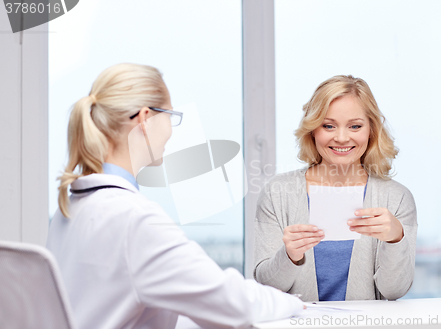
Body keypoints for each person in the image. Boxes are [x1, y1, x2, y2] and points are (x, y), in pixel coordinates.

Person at [46, 63, 303, 329]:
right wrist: (292, 303)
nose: (170, 129)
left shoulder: (71, 208)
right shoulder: (134, 218)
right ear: (145, 119)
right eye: (169, 115)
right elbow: (231, 304)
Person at [253, 75, 417, 302]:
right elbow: (266, 285)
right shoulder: (277, 193)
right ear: (313, 130)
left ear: (371, 130)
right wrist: (289, 256)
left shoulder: (396, 198)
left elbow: (394, 291)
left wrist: (395, 238)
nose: (341, 137)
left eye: (355, 126)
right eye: (328, 126)